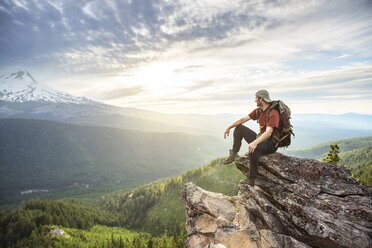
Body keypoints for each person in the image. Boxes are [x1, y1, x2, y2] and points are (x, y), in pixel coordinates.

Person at [223, 89, 280, 186]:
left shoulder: (273, 113)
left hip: (271, 143)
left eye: (256, 98)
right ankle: (234, 153)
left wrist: (255, 143)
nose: (255, 100)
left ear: (261, 99)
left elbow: (269, 132)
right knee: (239, 128)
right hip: (261, 138)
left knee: (254, 149)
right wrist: (229, 127)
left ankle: (251, 179)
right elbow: (243, 120)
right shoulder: (259, 111)